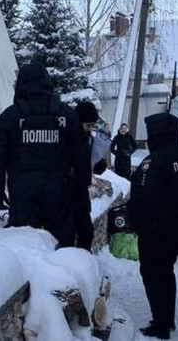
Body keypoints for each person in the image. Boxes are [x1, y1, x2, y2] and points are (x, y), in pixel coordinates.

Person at [0, 65, 89, 247]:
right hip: (58, 191)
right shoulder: (67, 116)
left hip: (22, 193)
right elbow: (81, 156)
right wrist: (80, 187)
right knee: (62, 242)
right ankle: (63, 273)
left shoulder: (9, 118)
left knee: (23, 244)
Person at [128, 113, 178, 339]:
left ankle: (160, 324)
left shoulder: (154, 161)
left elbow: (143, 197)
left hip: (157, 228)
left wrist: (137, 223)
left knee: (152, 274)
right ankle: (168, 318)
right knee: (167, 272)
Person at [71, 101, 99, 251]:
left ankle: (83, 260)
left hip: (82, 190)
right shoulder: (69, 138)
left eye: (92, 126)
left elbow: (88, 161)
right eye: (87, 125)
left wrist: (98, 165)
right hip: (69, 190)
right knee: (71, 231)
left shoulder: (88, 140)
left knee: (86, 231)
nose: (89, 129)